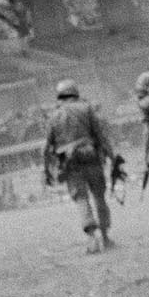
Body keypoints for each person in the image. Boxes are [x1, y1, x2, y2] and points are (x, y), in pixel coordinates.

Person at [43, 80, 116, 252]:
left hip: (70, 164)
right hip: (92, 159)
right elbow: (100, 135)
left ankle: (92, 238)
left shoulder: (54, 116)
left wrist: (47, 170)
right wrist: (112, 157)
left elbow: (47, 147)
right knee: (99, 197)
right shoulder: (87, 109)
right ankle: (105, 237)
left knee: (81, 199)